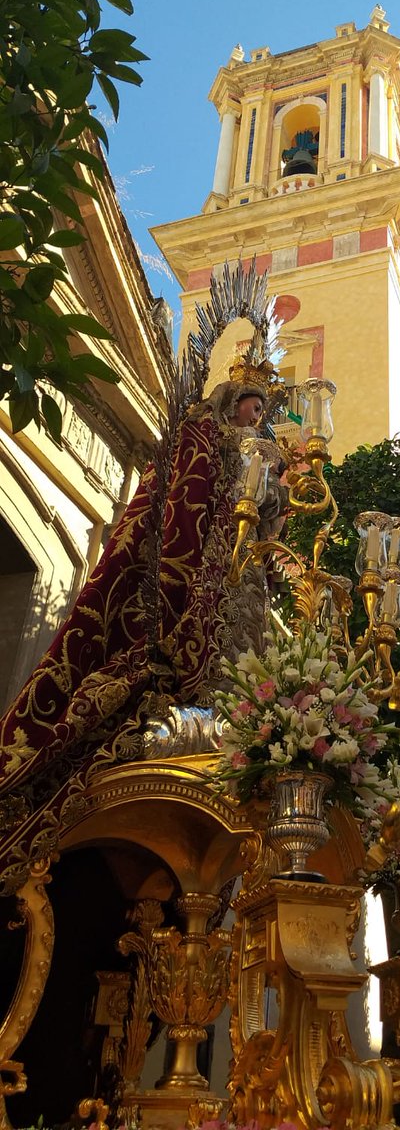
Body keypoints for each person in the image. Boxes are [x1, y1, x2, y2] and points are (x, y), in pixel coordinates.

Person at [0, 354, 288, 895]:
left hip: (244, 578)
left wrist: (277, 494)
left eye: (262, 409)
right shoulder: (206, 432)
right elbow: (183, 496)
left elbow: (271, 523)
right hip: (206, 570)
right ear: (232, 400)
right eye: (252, 404)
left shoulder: (260, 455)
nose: (257, 414)